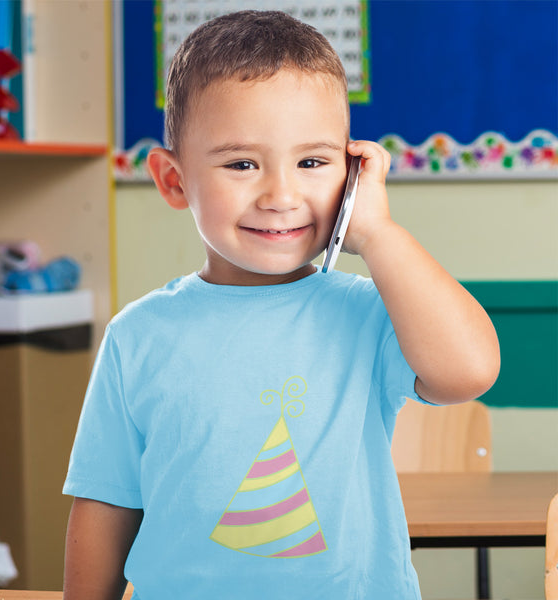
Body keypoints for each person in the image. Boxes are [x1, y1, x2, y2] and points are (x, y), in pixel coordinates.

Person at [63, 10, 500, 600]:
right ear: (174, 181)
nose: (281, 196)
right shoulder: (137, 334)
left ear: (350, 174)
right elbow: (107, 502)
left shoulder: (370, 312)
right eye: (241, 164)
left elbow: (468, 372)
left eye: (313, 163)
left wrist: (376, 234)